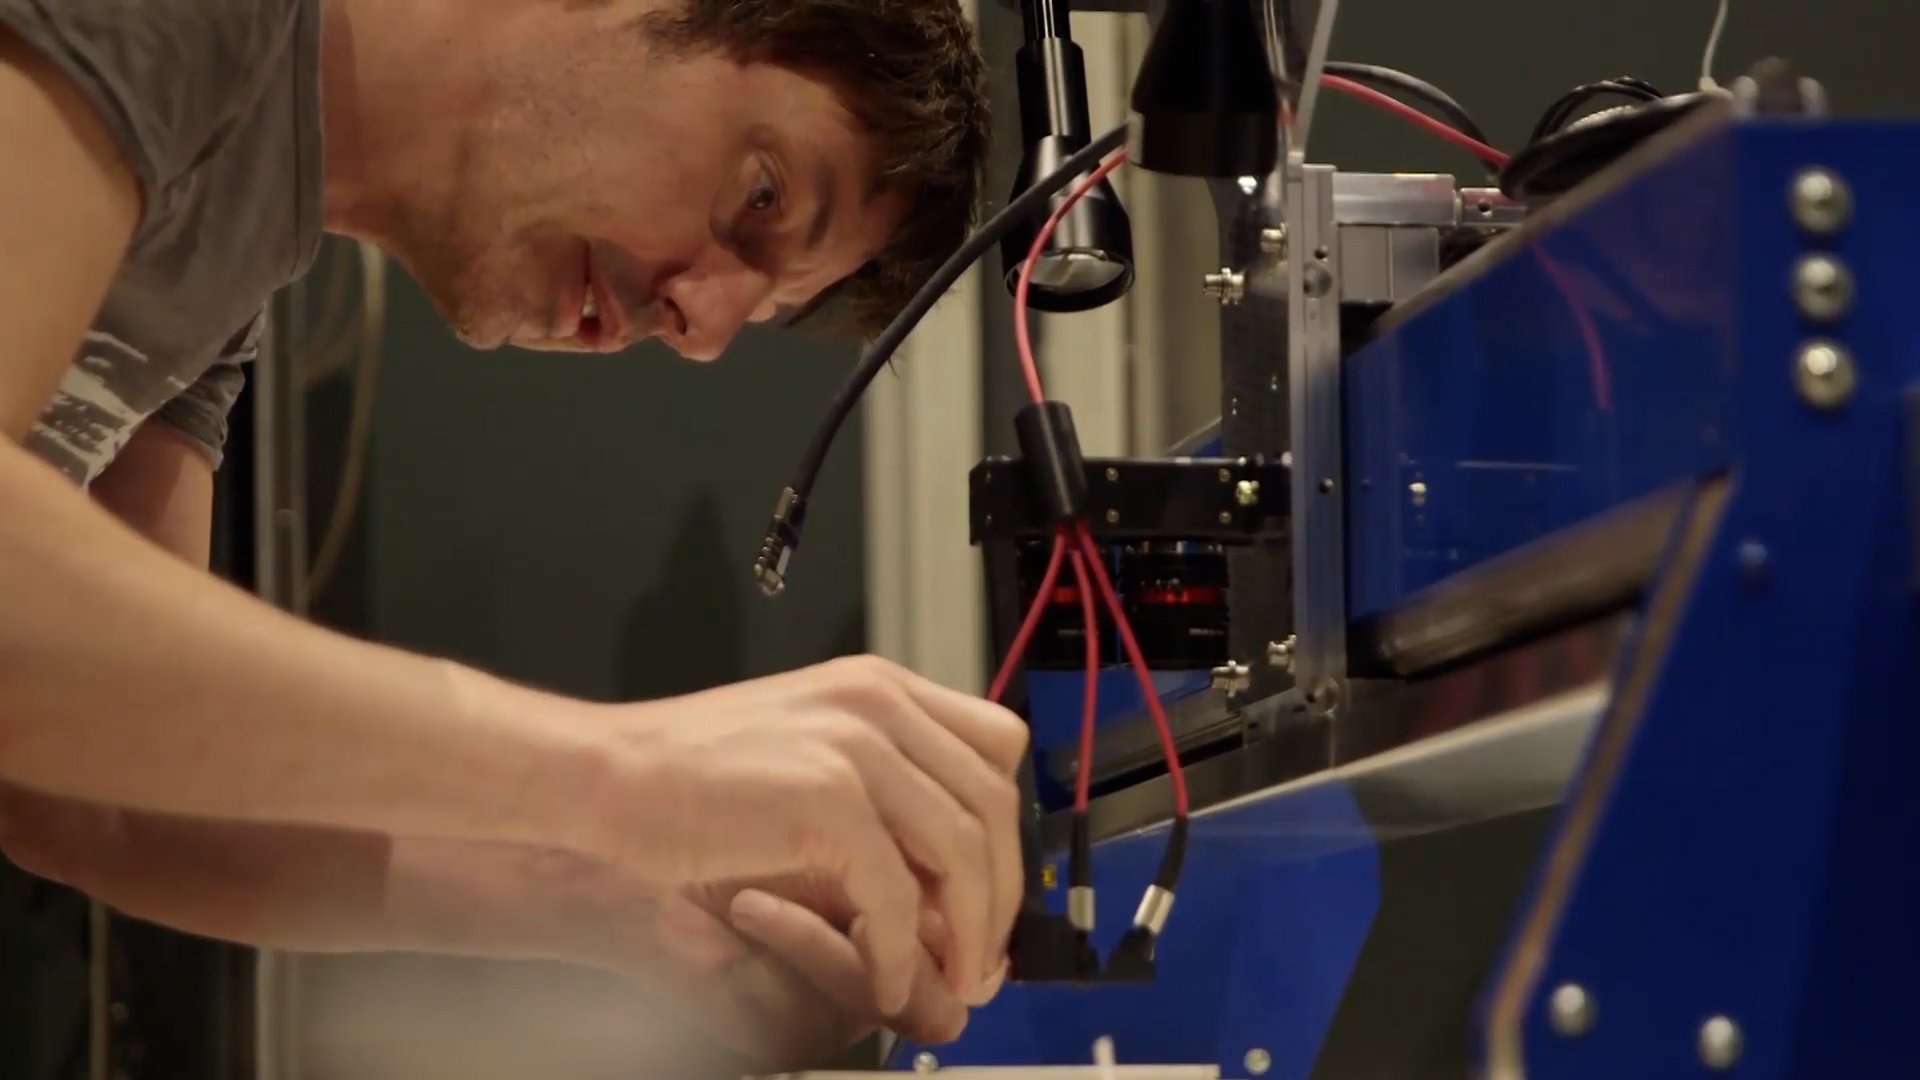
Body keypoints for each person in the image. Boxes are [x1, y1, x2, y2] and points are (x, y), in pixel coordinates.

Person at [0, 0, 1013, 1068]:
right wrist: (625, 777)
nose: (701, 329)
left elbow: (111, 795)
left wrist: (637, 901)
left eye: (757, 311)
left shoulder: (230, 260)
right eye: (759, 194)